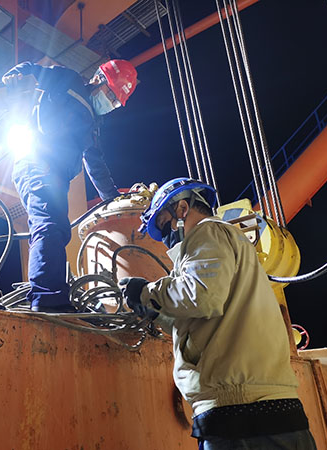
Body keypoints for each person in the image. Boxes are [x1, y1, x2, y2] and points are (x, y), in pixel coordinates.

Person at [119, 177, 316, 449]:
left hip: (239, 414)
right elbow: (201, 317)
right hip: (266, 410)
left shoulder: (207, 232)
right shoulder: (227, 245)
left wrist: (145, 292)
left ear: (182, 209)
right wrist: (154, 312)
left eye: (164, 225)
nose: (165, 238)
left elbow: (201, 296)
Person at [2, 59, 138, 313]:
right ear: (98, 79)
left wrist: (113, 200)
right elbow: (36, 72)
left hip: (56, 177)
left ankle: (53, 295)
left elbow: (96, 165)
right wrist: (18, 72)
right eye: (110, 95)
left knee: (60, 230)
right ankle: (47, 298)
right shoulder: (70, 80)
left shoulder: (92, 125)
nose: (111, 104)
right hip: (37, 163)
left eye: (116, 102)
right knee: (49, 226)